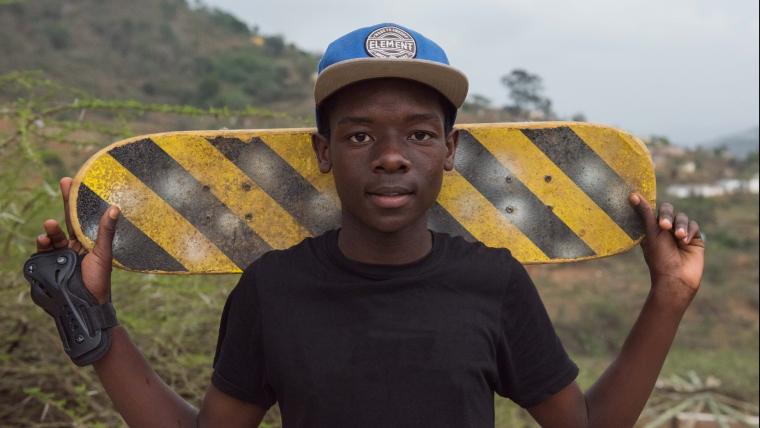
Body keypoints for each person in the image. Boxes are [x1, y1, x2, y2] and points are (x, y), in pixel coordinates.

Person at [34, 23, 704, 427]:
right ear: (323, 153)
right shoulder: (273, 291)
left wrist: (667, 300)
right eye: (358, 137)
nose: (390, 156)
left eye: (418, 134)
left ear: (449, 150)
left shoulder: (492, 284)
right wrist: (90, 321)